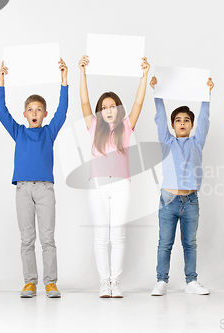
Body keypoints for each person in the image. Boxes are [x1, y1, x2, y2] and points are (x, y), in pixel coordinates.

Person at [0, 58, 68, 298]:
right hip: (23, 190)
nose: (35, 113)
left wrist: (64, 81)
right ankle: (29, 282)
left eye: (39, 109)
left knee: (48, 239)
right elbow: (0, 112)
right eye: (31, 109)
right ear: (25, 114)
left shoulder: (49, 131)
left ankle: (50, 283)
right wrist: (1, 82)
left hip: (45, 190)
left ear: (44, 114)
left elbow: (63, 110)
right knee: (27, 239)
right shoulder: (18, 132)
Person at [79, 55, 149, 298]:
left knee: (117, 234)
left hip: (120, 186)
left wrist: (144, 76)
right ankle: (104, 282)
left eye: (113, 107)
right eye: (104, 107)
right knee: (101, 235)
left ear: (119, 110)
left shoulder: (126, 127)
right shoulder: (93, 128)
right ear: (100, 112)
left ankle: (115, 282)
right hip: (97, 186)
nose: (108, 110)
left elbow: (139, 103)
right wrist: (83, 73)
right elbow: (85, 102)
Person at [149, 75, 214, 296]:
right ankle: (161, 280)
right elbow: (159, 117)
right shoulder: (167, 142)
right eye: (178, 120)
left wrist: (207, 95)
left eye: (186, 120)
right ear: (173, 124)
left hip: (191, 201)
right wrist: (157, 93)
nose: (183, 123)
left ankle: (191, 281)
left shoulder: (197, 142)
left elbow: (205, 118)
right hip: (168, 200)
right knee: (165, 243)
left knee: (190, 243)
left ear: (192, 124)